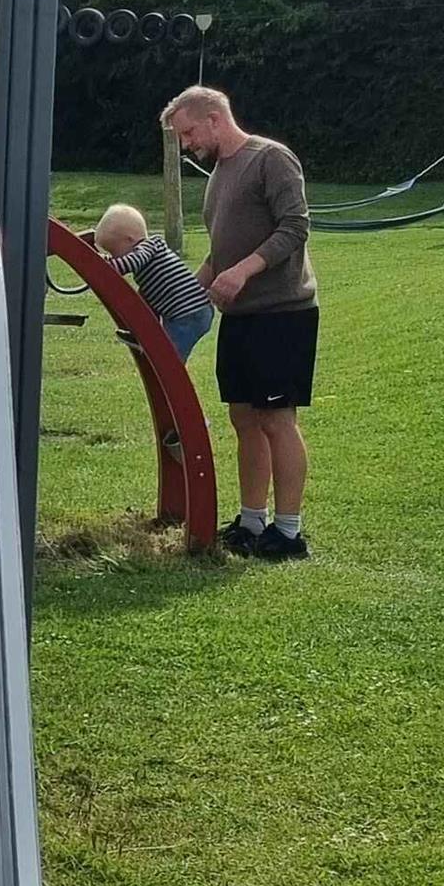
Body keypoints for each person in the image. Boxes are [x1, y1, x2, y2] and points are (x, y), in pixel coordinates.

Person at [162, 86, 318, 559]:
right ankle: (252, 523)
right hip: (240, 315)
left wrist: (243, 271)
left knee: (276, 418)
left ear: (214, 118)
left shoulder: (271, 159)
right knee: (244, 418)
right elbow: (220, 251)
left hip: (282, 313)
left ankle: (288, 533)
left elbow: (295, 227)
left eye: (188, 132)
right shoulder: (220, 174)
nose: (186, 144)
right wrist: (187, 292)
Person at [91, 200, 215, 361]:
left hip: (190, 314)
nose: (115, 257)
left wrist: (106, 269)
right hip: (182, 312)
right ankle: (142, 335)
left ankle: (171, 375)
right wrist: (106, 262)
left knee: (170, 357)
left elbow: (132, 261)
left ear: (130, 239)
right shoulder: (146, 254)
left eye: (114, 251)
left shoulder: (151, 246)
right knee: (143, 299)